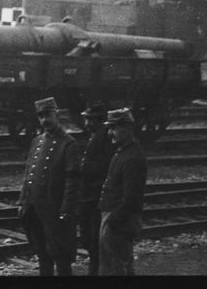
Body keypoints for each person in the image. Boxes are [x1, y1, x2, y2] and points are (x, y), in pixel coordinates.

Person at [16, 97, 80, 276]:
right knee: (43, 257)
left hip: (55, 211)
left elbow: (72, 182)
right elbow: (28, 174)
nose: (45, 120)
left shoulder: (68, 144)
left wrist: (66, 210)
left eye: (48, 115)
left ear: (56, 115)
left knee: (61, 258)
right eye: (41, 116)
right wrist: (22, 201)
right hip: (35, 209)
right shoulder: (37, 141)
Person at [98, 107, 147, 276]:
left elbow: (132, 198)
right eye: (109, 128)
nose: (110, 133)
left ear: (127, 129)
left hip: (118, 221)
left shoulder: (133, 157)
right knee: (113, 264)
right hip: (114, 218)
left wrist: (113, 222)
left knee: (116, 268)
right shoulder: (123, 153)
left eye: (114, 128)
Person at [77, 103, 115, 276]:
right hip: (90, 197)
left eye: (90, 120)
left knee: (95, 244)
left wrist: (83, 168)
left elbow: (102, 168)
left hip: (95, 198)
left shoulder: (104, 138)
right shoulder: (96, 136)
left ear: (100, 121)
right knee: (92, 244)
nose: (87, 123)